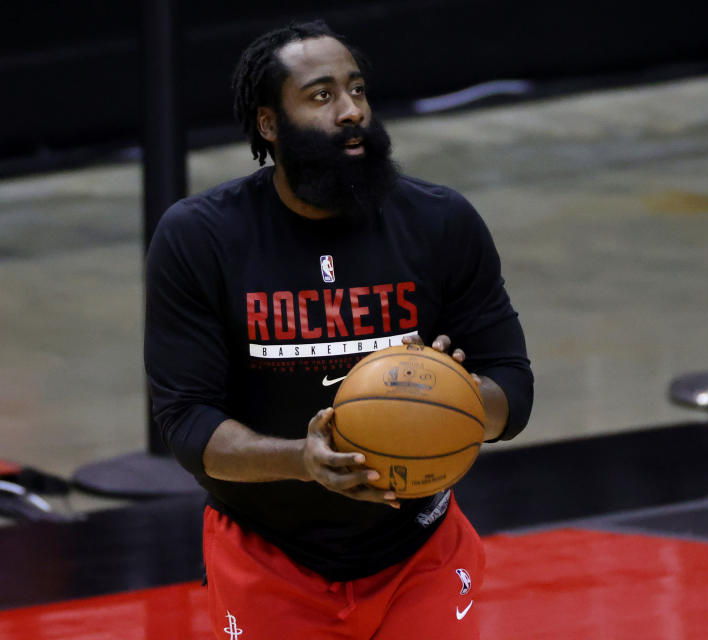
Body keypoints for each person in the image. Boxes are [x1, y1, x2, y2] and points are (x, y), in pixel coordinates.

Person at [143, 19, 533, 640]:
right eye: (321, 95)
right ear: (269, 124)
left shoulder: (441, 221)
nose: (351, 110)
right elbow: (188, 425)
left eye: (356, 90)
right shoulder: (200, 238)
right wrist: (304, 460)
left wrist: (459, 393)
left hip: (418, 548)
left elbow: (513, 389)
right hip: (268, 554)